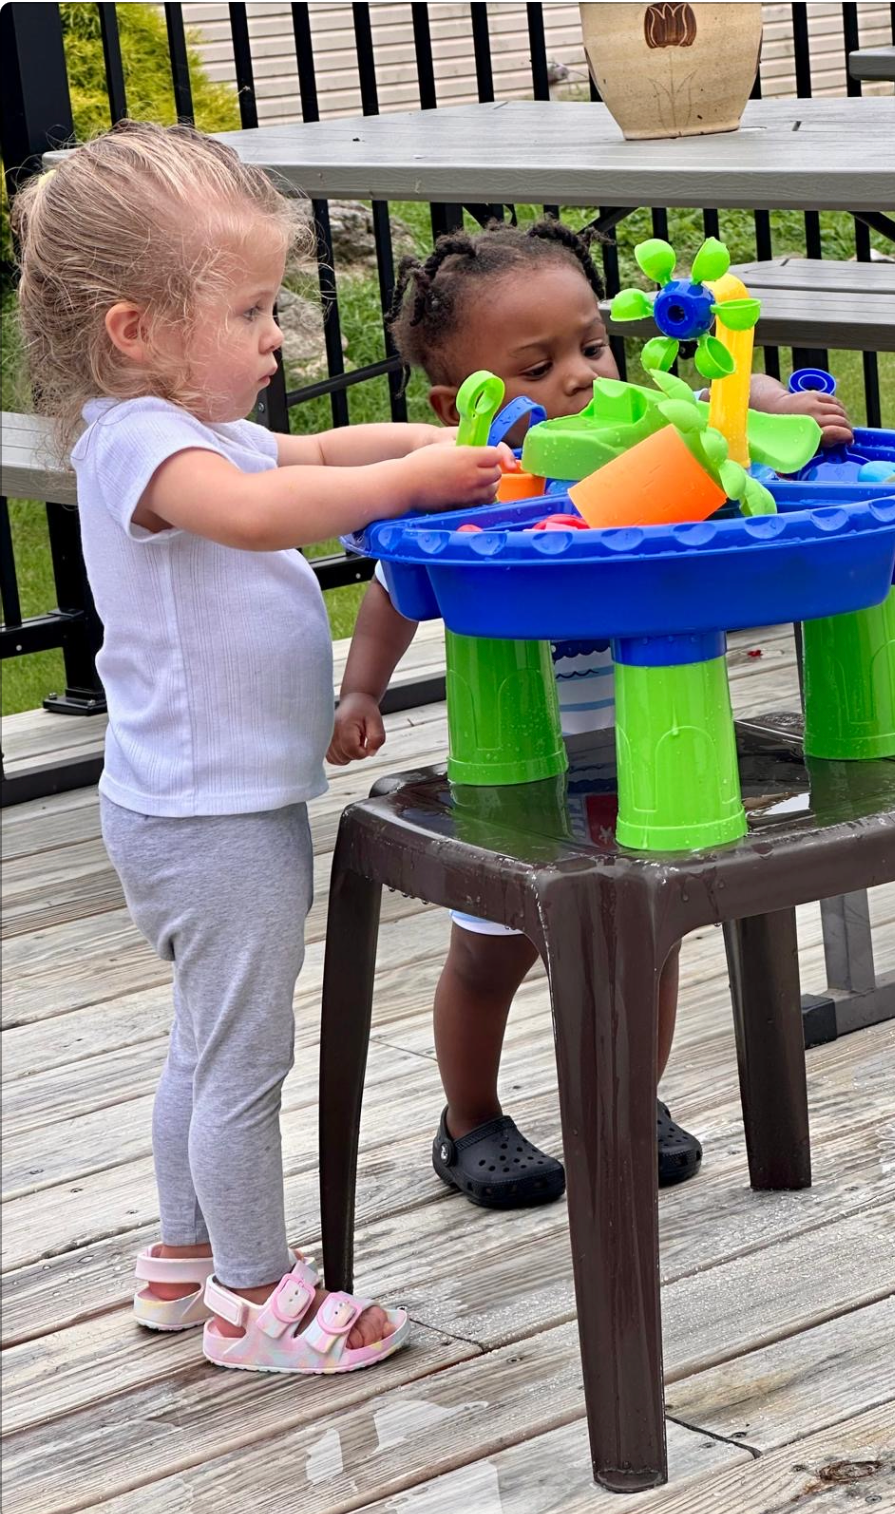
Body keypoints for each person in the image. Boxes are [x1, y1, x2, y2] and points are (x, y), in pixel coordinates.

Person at [12, 121, 511, 1375]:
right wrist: (406, 490)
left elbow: (315, 454)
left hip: (208, 806)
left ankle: (183, 1256)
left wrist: (422, 447)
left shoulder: (195, 422)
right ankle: (253, 1296)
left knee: (206, 1036)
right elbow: (255, 510)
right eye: (248, 310)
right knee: (244, 1056)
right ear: (137, 330)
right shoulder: (137, 441)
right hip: (207, 818)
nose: (275, 336)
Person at [328, 219, 852, 1211]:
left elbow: (713, 417)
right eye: (535, 367)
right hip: (519, 774)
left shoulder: (649, 454)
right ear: (461, 402)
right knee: (491, 950)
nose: (577, 377)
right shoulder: (469, 488)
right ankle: (468, 1116)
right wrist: (360, 688)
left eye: (590, 346)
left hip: (646, 759)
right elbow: (398, 585)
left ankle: (628, 1094)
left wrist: (772, 407)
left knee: (648, 941)